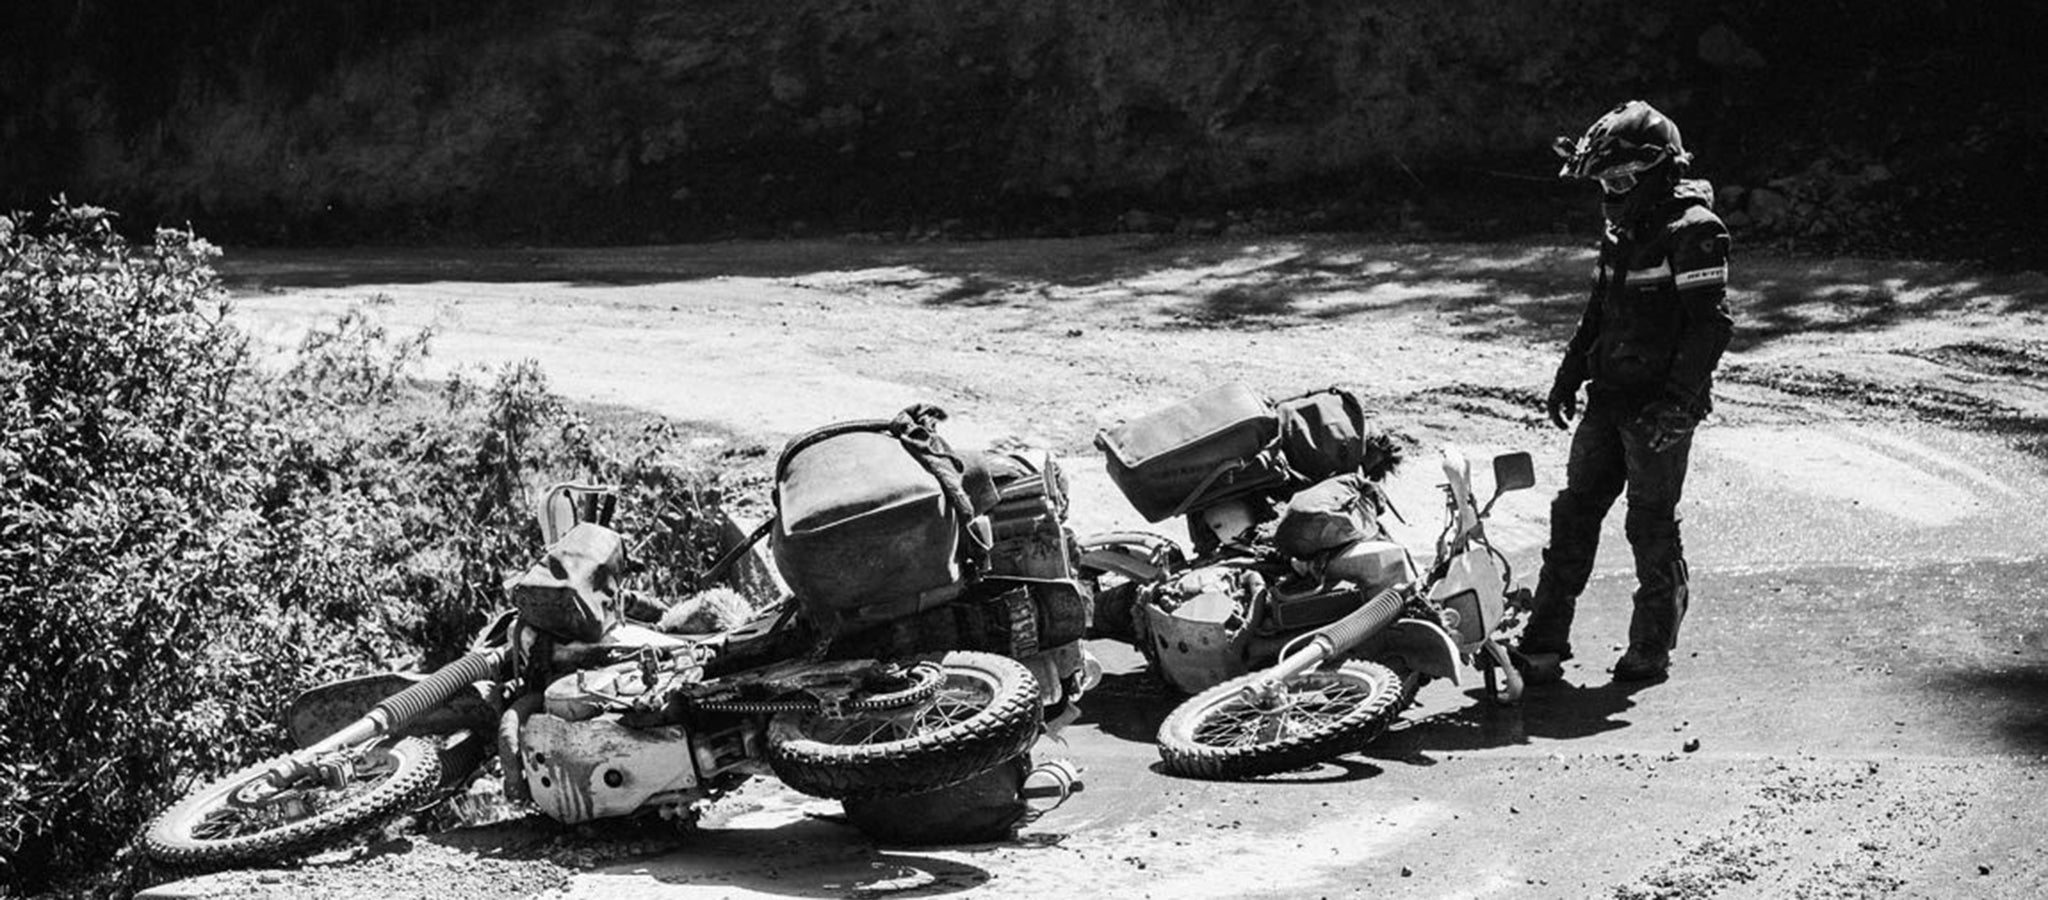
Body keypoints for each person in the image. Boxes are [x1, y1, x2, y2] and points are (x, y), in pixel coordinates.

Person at [1516, 100, 1734, 683]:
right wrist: (1568, 375)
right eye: (1605, 183)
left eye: (1621, 180)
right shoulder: (1622, 229)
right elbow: (1598, 309)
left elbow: (1711, 327)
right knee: (1574, 516)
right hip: (1607, 398)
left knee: (1650, 524)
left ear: (1661, 171)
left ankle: (1651, 647)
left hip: (1659, 407)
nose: (1611, 192)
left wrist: (1682, 405)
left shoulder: (1696, 232)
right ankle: (1543, 639)